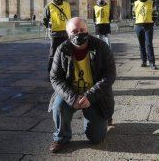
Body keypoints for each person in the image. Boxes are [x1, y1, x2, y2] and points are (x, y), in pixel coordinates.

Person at [48, 17, 116, 153]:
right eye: (74, 31)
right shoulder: (62, 49)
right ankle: (61, 137)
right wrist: (72, 98)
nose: (79, 33)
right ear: (68, 34)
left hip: (95, 95)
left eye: (82, 30)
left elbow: (109, 75)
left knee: (96, 138)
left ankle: (105, 116)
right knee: (59, 105)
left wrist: (90, 97)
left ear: (87, 30)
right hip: (71, 92)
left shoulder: (101, 47)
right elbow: (55, 77)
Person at [43, 0, 72, 80]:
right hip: (55, 34)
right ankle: (50, 74)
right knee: (53, 55)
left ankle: (67, 73)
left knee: (67, 54)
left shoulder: (66, 5)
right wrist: (49, 27)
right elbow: (44, 20)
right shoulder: (49, 6)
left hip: (66, 33)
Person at [133, 0, 157, 69]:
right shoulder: (135, 3)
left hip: (148, 26)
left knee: (149, 44)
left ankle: (152, 62)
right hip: (138, 26)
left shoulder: (151, 2)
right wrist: (137, 22)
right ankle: (144, 61)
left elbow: (155, 15)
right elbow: (133, 14)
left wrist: (151, 23)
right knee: (141, 45)